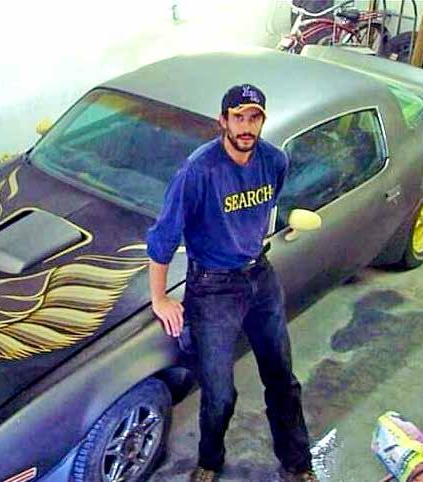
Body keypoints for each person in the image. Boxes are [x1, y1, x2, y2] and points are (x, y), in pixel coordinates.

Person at [147, 84, 317, 482]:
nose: (246, 126)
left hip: (260, 277)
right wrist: (159, 298)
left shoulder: (274, 160)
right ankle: (209, 462)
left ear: (262, 121)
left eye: (254, 117)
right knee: (220, 394)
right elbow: (163, 237)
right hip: (212, 290)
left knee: (282, 379)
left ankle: (297, 464)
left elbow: (267, 207)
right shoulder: (198, 171)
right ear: (222, 120)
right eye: (238, 117)